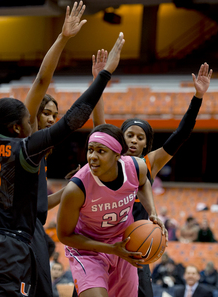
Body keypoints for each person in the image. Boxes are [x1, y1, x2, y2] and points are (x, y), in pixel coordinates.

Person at [0, 15, 125, 296]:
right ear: (17, 126)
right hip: (9, 248)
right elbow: (74, 118)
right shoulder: (26, 150)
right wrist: (104, 75)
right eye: (29, 120)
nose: (34, 123)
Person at [91, 49, 213, 297]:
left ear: (147, 144)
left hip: (137, 245)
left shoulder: (149, 162)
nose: (134, 141)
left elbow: (180, 135)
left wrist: (198, 97)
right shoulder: (110, 160)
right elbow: (98, 121)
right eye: (130, 135)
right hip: (106, 242)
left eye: (140, 137)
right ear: (120, 139)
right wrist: (98, 82)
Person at [57, 123, 167, 297]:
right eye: (90, 150)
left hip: (123, 245)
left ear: (117, 155)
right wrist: (111, 249)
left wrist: (152, 212)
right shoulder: (76, 189)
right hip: (88, 251)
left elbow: (144, 182)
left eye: (101, 151)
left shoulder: (136, 167)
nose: (92, 156)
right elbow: (64, 235)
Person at [23, 2, 87, 296]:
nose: (51, 119)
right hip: (16, 232)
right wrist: (63, 38)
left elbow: (41, 206)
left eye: (54, 115)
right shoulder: (25, 140)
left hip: (31, 226)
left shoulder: (40, 156)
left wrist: (72, 187)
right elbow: (41, 81)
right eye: (47, 113)